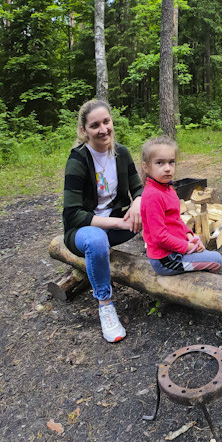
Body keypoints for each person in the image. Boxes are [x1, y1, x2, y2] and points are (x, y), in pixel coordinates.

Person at [62, 100, 143, 343]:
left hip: (117, 223)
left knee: (154, 205)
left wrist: (138, 202)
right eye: (94, 125)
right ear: (83, 130)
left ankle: (177, 258)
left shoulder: (121, 153)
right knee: (97, 241)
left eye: (106, 122)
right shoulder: (78, 160)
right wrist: (119, 224)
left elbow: (139, 187)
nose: (103, 129)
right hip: (83, 231)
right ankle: (106, 306)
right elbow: (73, 213)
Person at [139, 136, 222, 276]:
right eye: (160, 163)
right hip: (165, 259)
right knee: (216, 260)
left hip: (176, 251)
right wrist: (188, 247)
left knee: (207, 254)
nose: (167, 168)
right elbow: (159, 236)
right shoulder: (153, 195)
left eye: (171, 162)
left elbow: (176, 220)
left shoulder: (167, 188)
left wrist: (190, 235)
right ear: (146, 167)